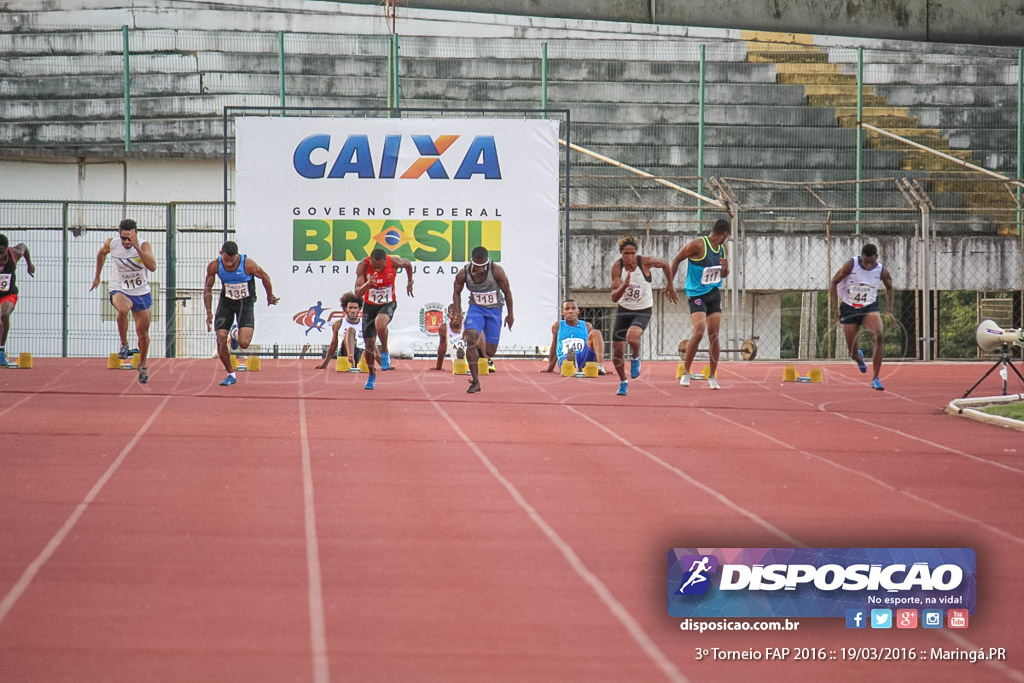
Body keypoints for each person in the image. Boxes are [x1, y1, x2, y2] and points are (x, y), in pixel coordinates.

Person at [89, 219, 156, 384]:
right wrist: (98, 275)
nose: (126, 242)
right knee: (124, 309)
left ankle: (142, 365)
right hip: (119, 287)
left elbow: (152, 266)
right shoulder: (112, 244)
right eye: (123, 238)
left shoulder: (144, 245)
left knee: (143, 333)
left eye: (129, 238)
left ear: (135, 234)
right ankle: (124, 344)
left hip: (140, 291)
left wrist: (137, 247)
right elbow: (101, 254)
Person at [609, 236, 678, 396]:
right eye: (626, 254)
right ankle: (623, 381)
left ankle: (635, 358)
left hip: (643, 309)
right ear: (620, 253)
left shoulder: (645, 262)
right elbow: (613, 297)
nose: (629, 257)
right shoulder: (617, 268)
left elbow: (665, 264)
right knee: (617, 353)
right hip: (624, 310)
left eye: (632, 253)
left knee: (632, 337)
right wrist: (623, 286)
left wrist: (670, 285)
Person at [204, 240, 279, 386]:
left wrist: (270, 295)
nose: (230, 264)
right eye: (226, 260)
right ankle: (231, 374)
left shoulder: (248, 264)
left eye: (232, 261)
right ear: (221, 254)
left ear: (237, 256)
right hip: (226, 302)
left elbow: (265, 276)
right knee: (220, 339)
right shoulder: (214, 266)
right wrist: (208, 312)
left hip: (245, 303)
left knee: (244, 343)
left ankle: (234, 334)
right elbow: (207, 289)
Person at [671, 218, 731, 390]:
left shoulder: (723, 248)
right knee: (698, 332)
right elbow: (676, 259)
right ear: (724, 234)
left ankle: (712, 375)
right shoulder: (698, 245)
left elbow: (724, 274)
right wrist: (670, 284)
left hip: (713, 293)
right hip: (696, 293)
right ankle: (686, 372)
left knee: (714, 335)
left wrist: (726, 268)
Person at [829, 243, 895, 391]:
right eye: (865, 262)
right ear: (861, 257)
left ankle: (876, 378)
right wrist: (835, 309)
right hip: (849, 308)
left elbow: (890, 287)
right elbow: (834, 282)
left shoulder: (881, 271)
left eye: (871, 262)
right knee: (852, 353)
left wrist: (889, 310)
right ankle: (858, 357)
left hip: (869, 307)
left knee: (878, 335)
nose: (868, 265)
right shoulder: (851, 265)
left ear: (876, 258)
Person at [452, 246, 514, 394]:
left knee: (490, 352)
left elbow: (507, 292)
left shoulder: (496, 270)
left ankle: (480, 345)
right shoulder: (464, 273)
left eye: (483, 266)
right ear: (472, 262)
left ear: (487, 262)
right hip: (476, 309)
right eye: (477, 266)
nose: (480, 269)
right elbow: (456, 292)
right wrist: (459, 312)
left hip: (494, 310)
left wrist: (510, 314)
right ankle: (475, 381)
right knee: (470, 337)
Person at [353, 248, 414, 389]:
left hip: (388, 303)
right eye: (375, 267)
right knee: (368, 347)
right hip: (370, 306)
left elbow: (408, 264)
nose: (378, 269)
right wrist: (368, 284)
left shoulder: (394, 261)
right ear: (370, 261)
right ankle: (372, 375)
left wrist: (410, 282)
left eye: (381, 266)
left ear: (386, 261)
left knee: (380, 325)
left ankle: (385, 351)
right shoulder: (363, 265)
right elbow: (357, 294)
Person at [542, 299, 607, 375]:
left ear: (578, 311)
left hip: (583, 356)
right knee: (567, 360)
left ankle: (599, 366)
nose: (570, 311)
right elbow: (554, 347)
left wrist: (597, 359)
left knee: (596, 333)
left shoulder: (587, 326)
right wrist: (550, 368)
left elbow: (594, 345)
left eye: (573, 308)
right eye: (567, 309)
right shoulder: (558, 326)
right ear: (563, 312)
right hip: (565, 357)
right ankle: (570, 364)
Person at [0, 234, 35, 367]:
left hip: (8, 295)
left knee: (4, 315)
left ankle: (1, 351)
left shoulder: (14, 253)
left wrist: (29, 264)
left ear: (6, 249)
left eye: (1, 252)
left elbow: (24, 247)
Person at [316, 292, 364, 370]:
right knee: (350, 331)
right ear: (345, 309)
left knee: (369, 342)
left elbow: (371, 344)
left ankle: (357, 361)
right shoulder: (338, 323)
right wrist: (324, 365)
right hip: (344, 354)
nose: (353, 311)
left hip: (361, 353)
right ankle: (351, 359)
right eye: (350, 308)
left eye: (355, 308)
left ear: (359, 309)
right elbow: (334, 344)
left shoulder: (364, 324)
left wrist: (382, 365)